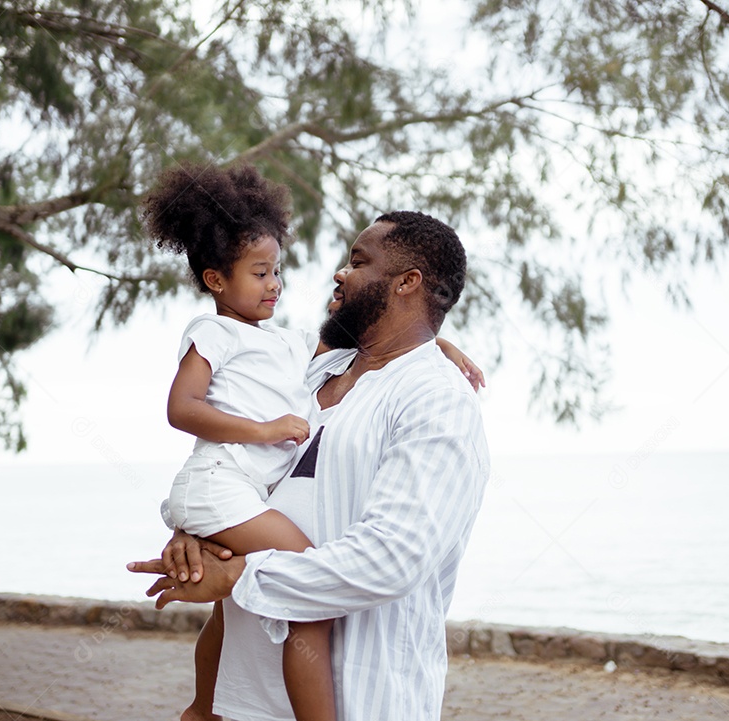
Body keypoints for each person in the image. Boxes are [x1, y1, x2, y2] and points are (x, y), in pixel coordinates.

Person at [141, 164, 485, 721]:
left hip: (360, 700)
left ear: (407, 282)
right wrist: (201, 533)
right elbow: (238, 462)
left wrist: (241, 573)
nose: (339, 273)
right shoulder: (309, 371)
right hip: (243, 702)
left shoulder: (436, 399)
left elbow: (392, 559)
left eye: (359, 261)